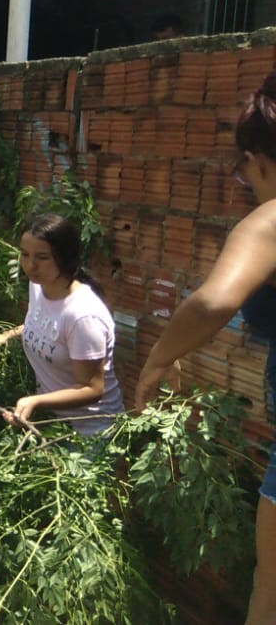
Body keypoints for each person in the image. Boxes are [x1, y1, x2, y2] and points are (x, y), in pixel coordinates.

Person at [135, 73, 276, 624]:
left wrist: (158, 358)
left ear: (258, 157)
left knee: (271, 587)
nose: (245, 182)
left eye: (242, 170)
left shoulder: (268, 221)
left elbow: (213, 302)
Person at [0, 213, 124, 435]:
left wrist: (35, 402)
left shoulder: (83, 316)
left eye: (42, 257)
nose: (30, 265)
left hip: (92, 433)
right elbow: (45, 327)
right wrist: (6, 336)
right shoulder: (39, 286)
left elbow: (92, 389)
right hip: (54, 425)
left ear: (64, 257)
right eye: (25, 255)